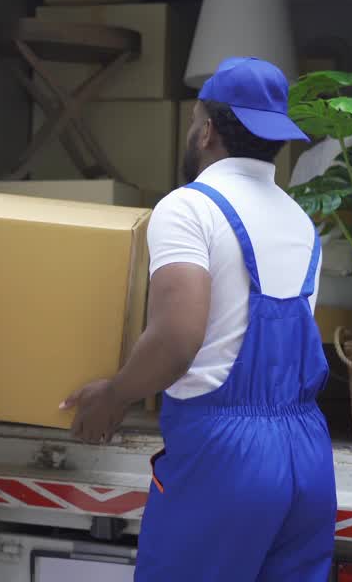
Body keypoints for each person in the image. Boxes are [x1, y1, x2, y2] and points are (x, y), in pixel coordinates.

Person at [62, 57, 336, 580]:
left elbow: (177, 337)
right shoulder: (300, 220)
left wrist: (115, 395)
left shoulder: (191, 208)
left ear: (207, 129)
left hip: (227, 460)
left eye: (194, 122)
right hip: (306, 452)